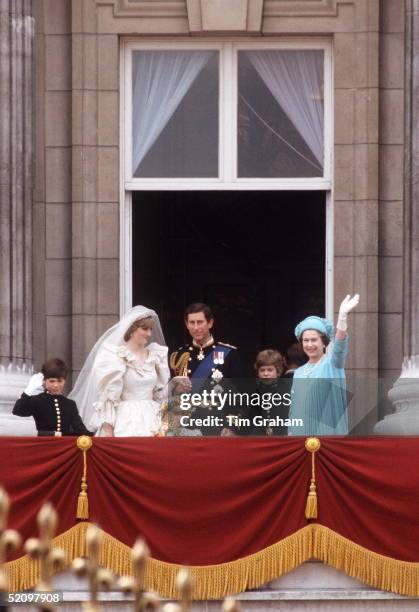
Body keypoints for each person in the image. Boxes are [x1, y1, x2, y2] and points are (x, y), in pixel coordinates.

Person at [69, 306, 169, 436]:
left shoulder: (155, 356)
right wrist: (109, 434)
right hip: (125, 420)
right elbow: (108, 398)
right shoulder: (114, 357)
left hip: (152, 417)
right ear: (132, 329)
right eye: (144, 329)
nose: (149, 334)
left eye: (150, 329)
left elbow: (159, 394)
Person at [288, 294, 359, 436]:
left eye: (314, 340)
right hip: (300, 438)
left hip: (328, 437)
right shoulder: (299, 372)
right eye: (305, 340)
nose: (309, 344)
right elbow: (294, 409)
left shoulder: (332, 364)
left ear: (324, 342)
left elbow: (339, 346)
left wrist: (342, 319)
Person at [169, 302, 243, 435]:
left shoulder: (229, 353)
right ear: (186, 324)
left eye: (200, 322)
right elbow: (169, 397)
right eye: (192, 323)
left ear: (210, 323)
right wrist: (176, 390)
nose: (196, 327)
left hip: (218, 425)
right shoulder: (179, 355)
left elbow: (239, 395)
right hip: (187, 426)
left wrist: (232, 427)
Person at [13, 358, 92, 436]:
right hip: (44, 446)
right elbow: (17, 411)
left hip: (63, 446)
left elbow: (81, 431)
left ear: (64, 381)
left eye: (60, 381)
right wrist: (29, 389)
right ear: (44, 381)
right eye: (52, 381)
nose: (56, 385)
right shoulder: (37, 400)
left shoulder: (70, 404)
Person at [248, 349, 289, 436]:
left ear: (278, 371)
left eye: (270, 370)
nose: (266, 374)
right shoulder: (253, 393)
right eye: (262, 370)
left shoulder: (287, 390)